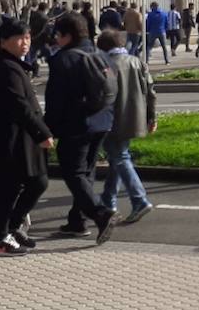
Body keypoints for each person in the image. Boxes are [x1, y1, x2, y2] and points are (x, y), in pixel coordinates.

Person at [0, 19, 51, 256]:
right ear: (3, 42)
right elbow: (19, 105)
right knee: (10, 189)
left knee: (35, 182)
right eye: (19, 38)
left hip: (20, 137)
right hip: (8, 138)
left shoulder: (13, 64)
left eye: (28, 37)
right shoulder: (5, 68)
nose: (25, 43)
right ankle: (0, 238)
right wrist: (42, 132)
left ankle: (12, 228)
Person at [45, 13, 118, 242]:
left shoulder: (64, 59)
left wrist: (49, 128)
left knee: (73, 172)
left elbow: (55, 100)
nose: (56, 39)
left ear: (67, 35)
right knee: (86, 172)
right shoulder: (102, 55)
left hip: (76, 124)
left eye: (58, 35)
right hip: (102, 121)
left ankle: (101, 213)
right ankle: (77, 221)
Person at [96, 30, 157, 221]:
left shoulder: (104, 64)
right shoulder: (136, 61)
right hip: (134, 117)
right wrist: (151, 117)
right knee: (118, 158)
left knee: (119, 157)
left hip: (112, 118)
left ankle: (139, 199)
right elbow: (150, 92)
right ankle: (108, 200)